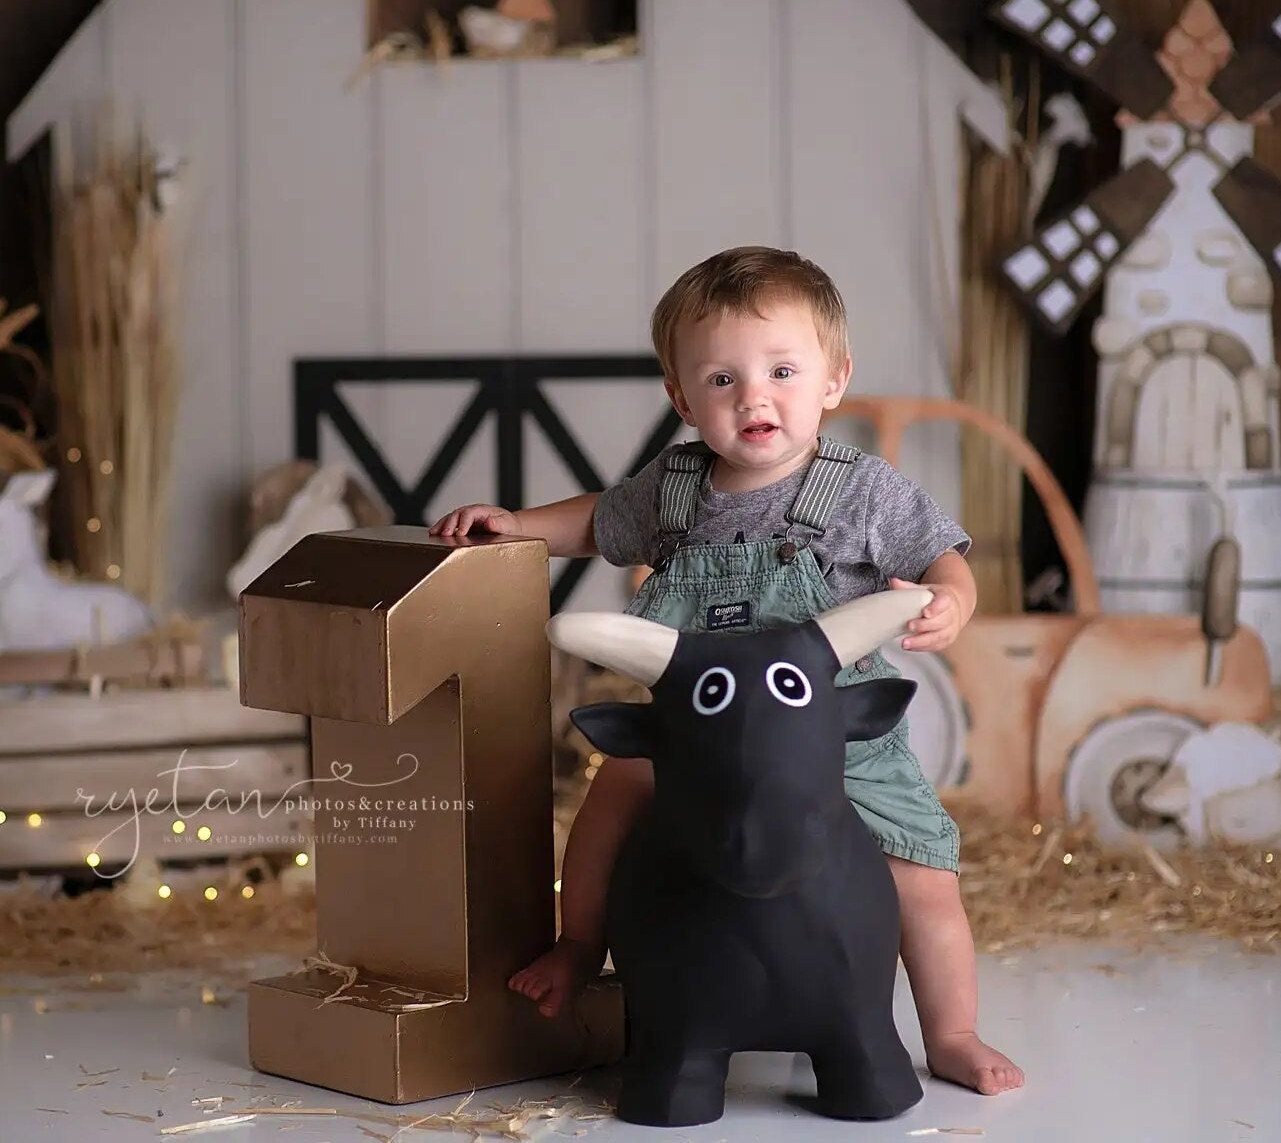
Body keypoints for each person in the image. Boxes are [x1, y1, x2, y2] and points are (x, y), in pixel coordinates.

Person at [430, 246, 1023, 1095]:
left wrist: (950, 601)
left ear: (833, 379)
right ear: (681, 397)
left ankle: (952, 1030)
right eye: (720, 380)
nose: (754, 397)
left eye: (783, 370)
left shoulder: (861, 493)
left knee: (922, 871)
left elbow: (944, 557)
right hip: (692, 734)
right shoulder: (672, 491)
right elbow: (598, 524)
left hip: (834, 736)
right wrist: (517, 522)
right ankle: (577, 947)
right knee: (608, 800)